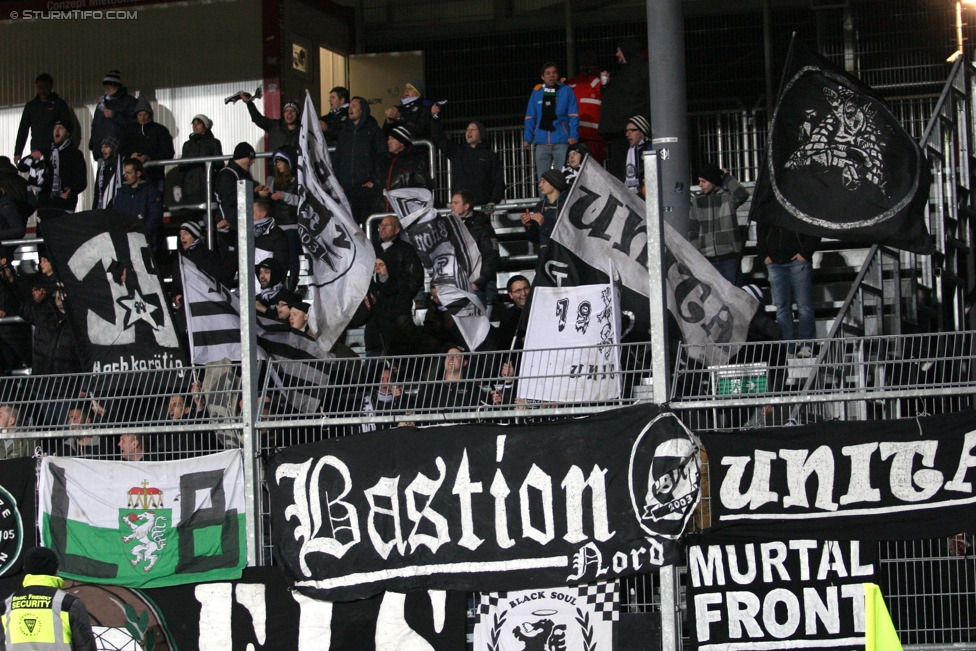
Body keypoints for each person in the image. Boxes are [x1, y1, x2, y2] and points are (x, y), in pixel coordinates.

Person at [0, 546, 95, 650]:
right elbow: (86, 647)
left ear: (26, 570)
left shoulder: (6, 606)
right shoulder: (68, 604)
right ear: (56, 570)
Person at [755, 218, 821, 355]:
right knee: (782, 308)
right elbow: (761, 233)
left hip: (799, 261)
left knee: (804, 306)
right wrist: (764, 255)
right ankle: (787, 347)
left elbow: (815, 227)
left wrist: (805, 253)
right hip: (775, 263)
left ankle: (807, 345)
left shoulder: (800, 202)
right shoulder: (769, 205)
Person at [688, 163, 750, 287]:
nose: (700, 185)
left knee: (734, 296)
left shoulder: (727, 198)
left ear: (712, 181)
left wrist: (726, 176)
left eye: (703, 181)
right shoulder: (697, 202)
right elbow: (693, 231)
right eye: (700, 181)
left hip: (730, 258)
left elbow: (742, 194)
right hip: (707, 260)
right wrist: (697, 256)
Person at [599, 39, 650, 181]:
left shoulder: (641, 70)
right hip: (619, 131)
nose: (617, 54)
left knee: (632, 167)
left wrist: (639, 123)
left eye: (619, 50)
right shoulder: (625, 72)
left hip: (630, 129)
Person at [429, 114, 505, 208]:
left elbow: (498, 181)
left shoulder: (491, 156)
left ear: (481, 133)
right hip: (460, 208)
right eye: (467, 129)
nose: (469, 131)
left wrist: (493, 201)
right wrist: (435, 118)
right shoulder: (458, 151)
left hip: (481, 207)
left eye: (473, 129)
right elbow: (439, 138)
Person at [334, 96, 386, 225]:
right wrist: (337, 181)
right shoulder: (344, 133)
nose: (350, 109)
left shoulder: (373, 131)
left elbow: (382, 157)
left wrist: (374, 180)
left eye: (354, 106)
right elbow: (337, 159)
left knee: (368, 226)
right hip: (346, 189)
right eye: (349, 106)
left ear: (363, 110)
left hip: (365, 189)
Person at [523, 62, 579, 180]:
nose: (551, 76)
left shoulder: (566, 91)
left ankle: (562, 199)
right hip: (542, 143)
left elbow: (573, 115)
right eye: (548, 73)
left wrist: (574, 135)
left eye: (554, 73)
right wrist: (527, 138)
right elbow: (530, 117)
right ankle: (544, 199)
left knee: (563, 178)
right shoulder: (537, 93)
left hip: (562, 142)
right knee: (543, 179)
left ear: (558, 75)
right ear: (543, 77)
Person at [256, 148, 301, 289]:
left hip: (292, 225)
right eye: (276, 161)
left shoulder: (297, 181)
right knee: (276, 258)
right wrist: (262, 194)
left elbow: (303, 201)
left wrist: (284, 196)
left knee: (293, 256)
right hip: (276, 226)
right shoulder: (271, 181)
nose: (278, 164)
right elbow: (267, 203)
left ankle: (292, 286)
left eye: (281, 161)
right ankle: (276, 283)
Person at [20, 121, 87, 214]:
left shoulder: (75, 154)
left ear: (68, 133)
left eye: (61, 128)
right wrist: (31, 157)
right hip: (45, 206)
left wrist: (72, 189)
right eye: (55, 128)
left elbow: (82, 182)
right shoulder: (45, 152)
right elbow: (22, 167)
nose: (57, 130)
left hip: (65, 206)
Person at [450, 190, 499, 306]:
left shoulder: (482, 226)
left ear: (466, 206)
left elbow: (491, 256)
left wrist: (478, 283)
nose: (451, 206)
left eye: (455, 203)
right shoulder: (449, 226)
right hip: (457, 285)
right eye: (452, 202)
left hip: (478, 286)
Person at [368, 126, 432, 214]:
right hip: (381, 212)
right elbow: (376, 183)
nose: (388, 142)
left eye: (392, 139)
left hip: (404, 213)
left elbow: (423, 188)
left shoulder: (414, 162)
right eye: (388, 139)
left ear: (402, 142)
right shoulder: (383, 161)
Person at [14, 73, 74, 163]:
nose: (42, 91)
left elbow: (68, 126)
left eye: (45, 87)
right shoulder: (31, 106)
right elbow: (23, 129)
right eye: (39, 87)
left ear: (51, 87)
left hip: (56, 149)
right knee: (37, 175)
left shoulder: (59, 104)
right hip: (37, 150)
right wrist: (18, 152)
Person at [120, 97, 175, 193]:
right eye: (140, 114)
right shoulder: (129, 131)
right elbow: (122, 150)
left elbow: (168, 152)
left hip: (155, 177)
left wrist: (149, 158)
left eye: (145, 114)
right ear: (136, 116)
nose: (142, 117)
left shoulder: (160, 130)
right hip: (133, 180)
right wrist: (131, 157)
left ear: (150, 115)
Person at [174, 114, 223, 214]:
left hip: (207, 187)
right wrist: (177, 185)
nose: (195, 126)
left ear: (205, 126)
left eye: (198, 123)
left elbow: (219, 164)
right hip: (190, 188)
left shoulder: (214, 143)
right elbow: (182, 166)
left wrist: (218, 186)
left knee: (208, 217)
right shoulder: (187, 145)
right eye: (193, 124)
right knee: (191, 216)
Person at [113, 158, 164, 256]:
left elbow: (155, 215)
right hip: (125, 241)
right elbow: (116, 214)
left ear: (138, 173)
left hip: (144, 241)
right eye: (125, 172)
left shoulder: (150, 191)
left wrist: (143, 232)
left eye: (129, 173)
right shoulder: (122, 192)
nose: (125, 176)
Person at [88, 69, 137, 164]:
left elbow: (133, 125)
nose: (107, 88)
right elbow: (95, 125)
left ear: (117, 86)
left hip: (120, 153)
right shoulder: (101, 104)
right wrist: (93, 144)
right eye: (105, 85)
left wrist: (115, 116)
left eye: (110, 85)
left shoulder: (129, 102)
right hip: (101, 153)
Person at [566, 53, 606, 163]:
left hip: (595, 137)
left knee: (596, 170)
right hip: (576, 136)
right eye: (583, 64)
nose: (586, 67)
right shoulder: (572, 83)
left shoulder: (600, 83)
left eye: (589, 64)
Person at [214, 142, 256, 232]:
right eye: (251, 158)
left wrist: (257, 189)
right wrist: (256, 194)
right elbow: (230, 198)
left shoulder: (245, 174)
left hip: (240, 224)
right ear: (242, 157)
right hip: (229, 226)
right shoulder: (226, 174)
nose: (253, 162)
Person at [521, 168, 566, 251]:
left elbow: (567, 237)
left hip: (562, 257)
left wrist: (543, 224)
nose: (539, 185)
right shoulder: (540, 206)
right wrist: (529, 226)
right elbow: (536, 239)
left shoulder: (566, 206)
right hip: (544, 257)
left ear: (554, 183)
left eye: (544, 181)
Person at [252, 196, 290, 270]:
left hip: (266, 280)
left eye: (251, 211)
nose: (247, 214)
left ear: (263, 213)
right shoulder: (244, 233)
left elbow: (281, 262)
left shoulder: (276, 234)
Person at [495, 275, 531, 350]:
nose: (523, 293)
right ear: (511, 295)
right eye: (518, 291)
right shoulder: (508, 316)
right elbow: (504, 342)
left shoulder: (541, 310)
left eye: (526, 288)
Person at [623, 115, 653, 196]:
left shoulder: (651, 148)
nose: (627, 134)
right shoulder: (629, 150)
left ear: (642, 132)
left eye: (631, 131)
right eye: (627, 131)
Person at [92, 136, 123, 210]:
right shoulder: (102, 169)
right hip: (102, 210)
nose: (103, 150)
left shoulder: (121, 168)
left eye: (106, 147)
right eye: (102, 147)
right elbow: (97, 193)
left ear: (114, 149)